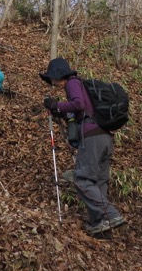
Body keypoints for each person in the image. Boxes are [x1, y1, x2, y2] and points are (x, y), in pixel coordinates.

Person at [41, 57, 126, 237]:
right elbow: (79, 110)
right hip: (104, 136)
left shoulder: (72, 83)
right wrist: (62, 112)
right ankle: (101, 226)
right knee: (98, 181)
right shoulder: (80, 86)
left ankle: (110, 214)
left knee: (82, 179)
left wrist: (55, 105)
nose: (51, 82)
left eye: (51, 78)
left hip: (92, 137)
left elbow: (78, 104)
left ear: (57, 75)